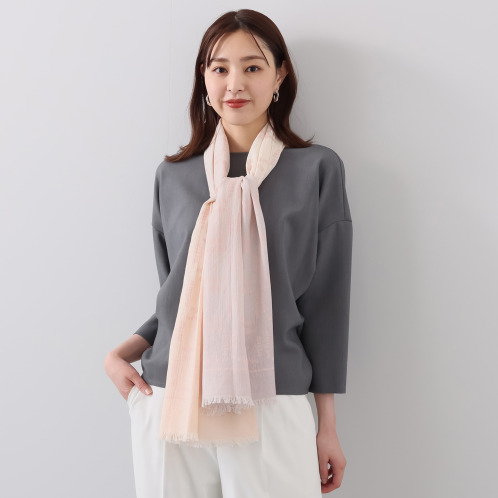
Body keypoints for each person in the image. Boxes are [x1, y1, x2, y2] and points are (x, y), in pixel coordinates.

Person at [104, 8, 353, 498]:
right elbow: (181, 298)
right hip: (170, 399)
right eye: (219, 68)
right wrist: (121, 352)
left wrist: (327, 425)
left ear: (279, 76)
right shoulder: (173, 176)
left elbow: (326, 304)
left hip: (270, 399)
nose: (234, 83)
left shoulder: (316, 171)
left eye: (252, 67)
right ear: (204, 78)